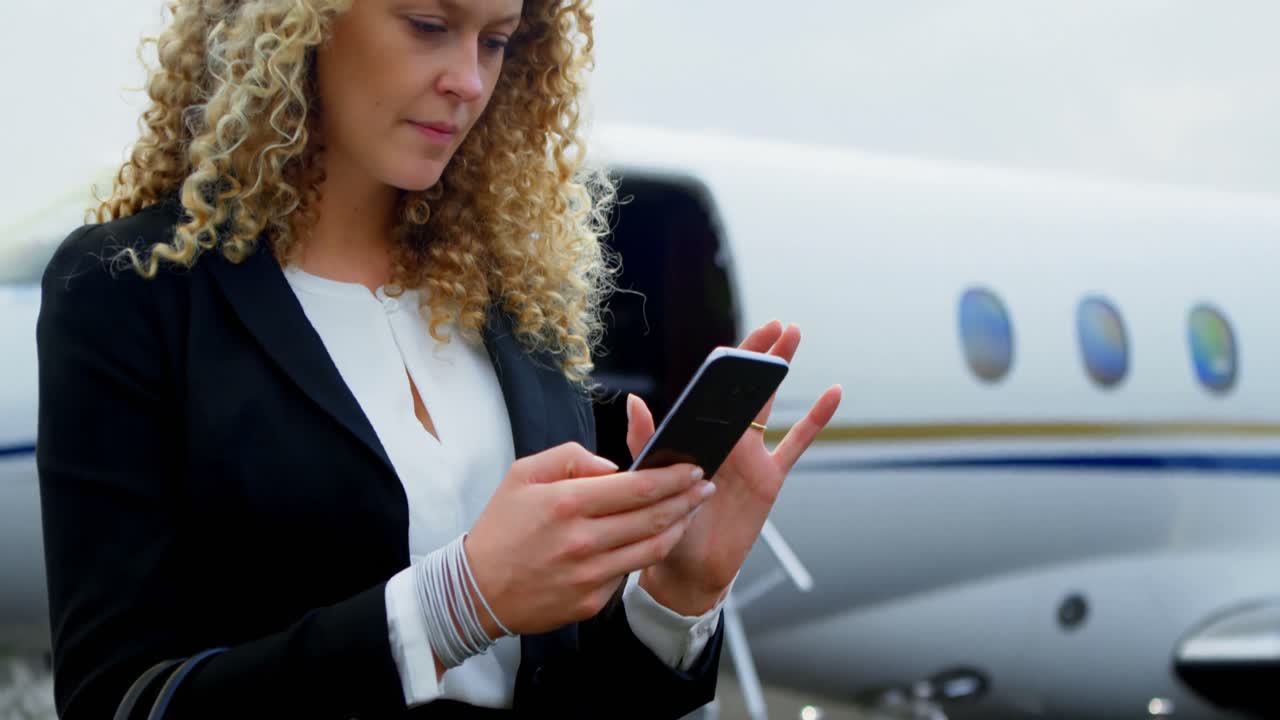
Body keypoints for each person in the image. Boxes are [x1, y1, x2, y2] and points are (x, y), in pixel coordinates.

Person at [35, 0, 843, 717]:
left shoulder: (520, 305)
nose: (468, 80)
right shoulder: (130, 292)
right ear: (297, 23)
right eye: (429, 26)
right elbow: (120, 696)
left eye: (496, 42)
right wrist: (455, 605)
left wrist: (675, 600)